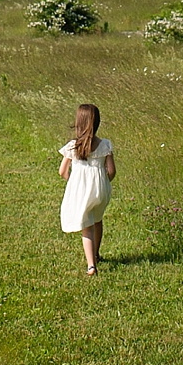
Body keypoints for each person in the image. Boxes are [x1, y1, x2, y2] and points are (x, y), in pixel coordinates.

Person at [58, 102, 115, 275]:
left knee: (86, 225)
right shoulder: (105, 145)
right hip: (101, 189)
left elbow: (62, 171)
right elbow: (111, 171)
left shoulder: (73, 146)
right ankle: (97, 254)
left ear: (78, 123)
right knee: (97, 219)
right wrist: (105, 182)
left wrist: (73, 182)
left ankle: (91, 265)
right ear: (97, 122)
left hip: (81, 190)